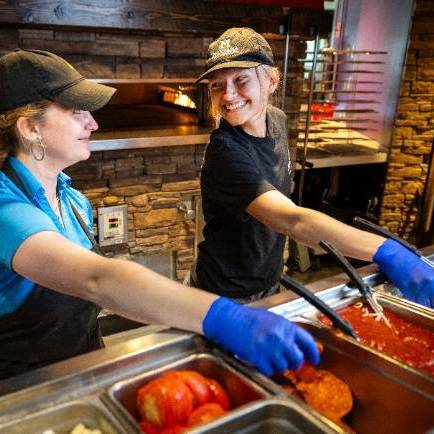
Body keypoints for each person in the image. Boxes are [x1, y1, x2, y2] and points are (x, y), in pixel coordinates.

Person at [0, 49, 320, 381]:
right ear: (30, 128)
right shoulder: (6, 210)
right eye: (76, 111)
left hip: (83, 377)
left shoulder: (73, 200)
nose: (92, 123)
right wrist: (224, 317)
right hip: (25, 398)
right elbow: (97, 280)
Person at [194, 27, 434, 308]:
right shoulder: (225, 151)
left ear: (271, 81)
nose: (228, 95)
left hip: (267, 281)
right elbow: (292, 219)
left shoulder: (277, 121)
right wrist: (386, 251)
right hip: (223, 293)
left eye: (241, 80)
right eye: (217, 85)